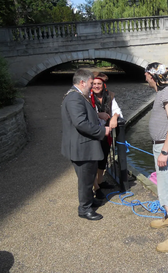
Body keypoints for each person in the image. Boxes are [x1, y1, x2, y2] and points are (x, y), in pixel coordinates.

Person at [144, 62, 168, 253]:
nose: (144, 78)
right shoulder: (164, 91)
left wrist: (165, 152)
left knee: (166, 191)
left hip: (165, 147)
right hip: (161, 146)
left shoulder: (167, 92)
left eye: (146, 74)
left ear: (152, 76)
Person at [61, 69, 110, 221]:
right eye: (90, 83)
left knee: (88, 178)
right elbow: (80, 123)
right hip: (82, 147)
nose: (92, 86)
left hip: (84, 145)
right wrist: (103, 130)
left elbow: (82, 115)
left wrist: (96, 115)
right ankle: (84, 209)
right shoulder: (74, 98)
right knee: (85, 179)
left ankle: (89, 201)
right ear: (82, 82)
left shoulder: (77, 96)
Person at [90, 72, 123, 199]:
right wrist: (98, 115)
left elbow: (116, 109)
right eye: (94, 84)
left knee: (103, 157)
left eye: (99, 84)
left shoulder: (109, 95)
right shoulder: (87, 96)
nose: (97, 86)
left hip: (105, 132)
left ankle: (99, 181)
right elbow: (85, 113)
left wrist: (114, 117)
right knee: (93, 159)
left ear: (103, 85)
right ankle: (95, 187)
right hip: (93, 131)